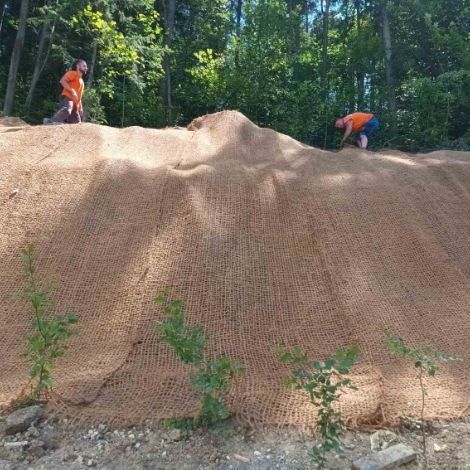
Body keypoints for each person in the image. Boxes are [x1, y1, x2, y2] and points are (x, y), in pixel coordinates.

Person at [47, 59, 88, 124]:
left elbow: (79, 97)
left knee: (77, 124)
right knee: (68, 109)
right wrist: (72, 90)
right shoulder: (73, 73)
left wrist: (81, 108)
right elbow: (62, 81)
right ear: (78, 66)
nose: (86, 68)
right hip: (67, 98)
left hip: (75, 105)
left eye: (86, 66)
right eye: (84, 66)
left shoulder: (82, 82)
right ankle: (50, 121)